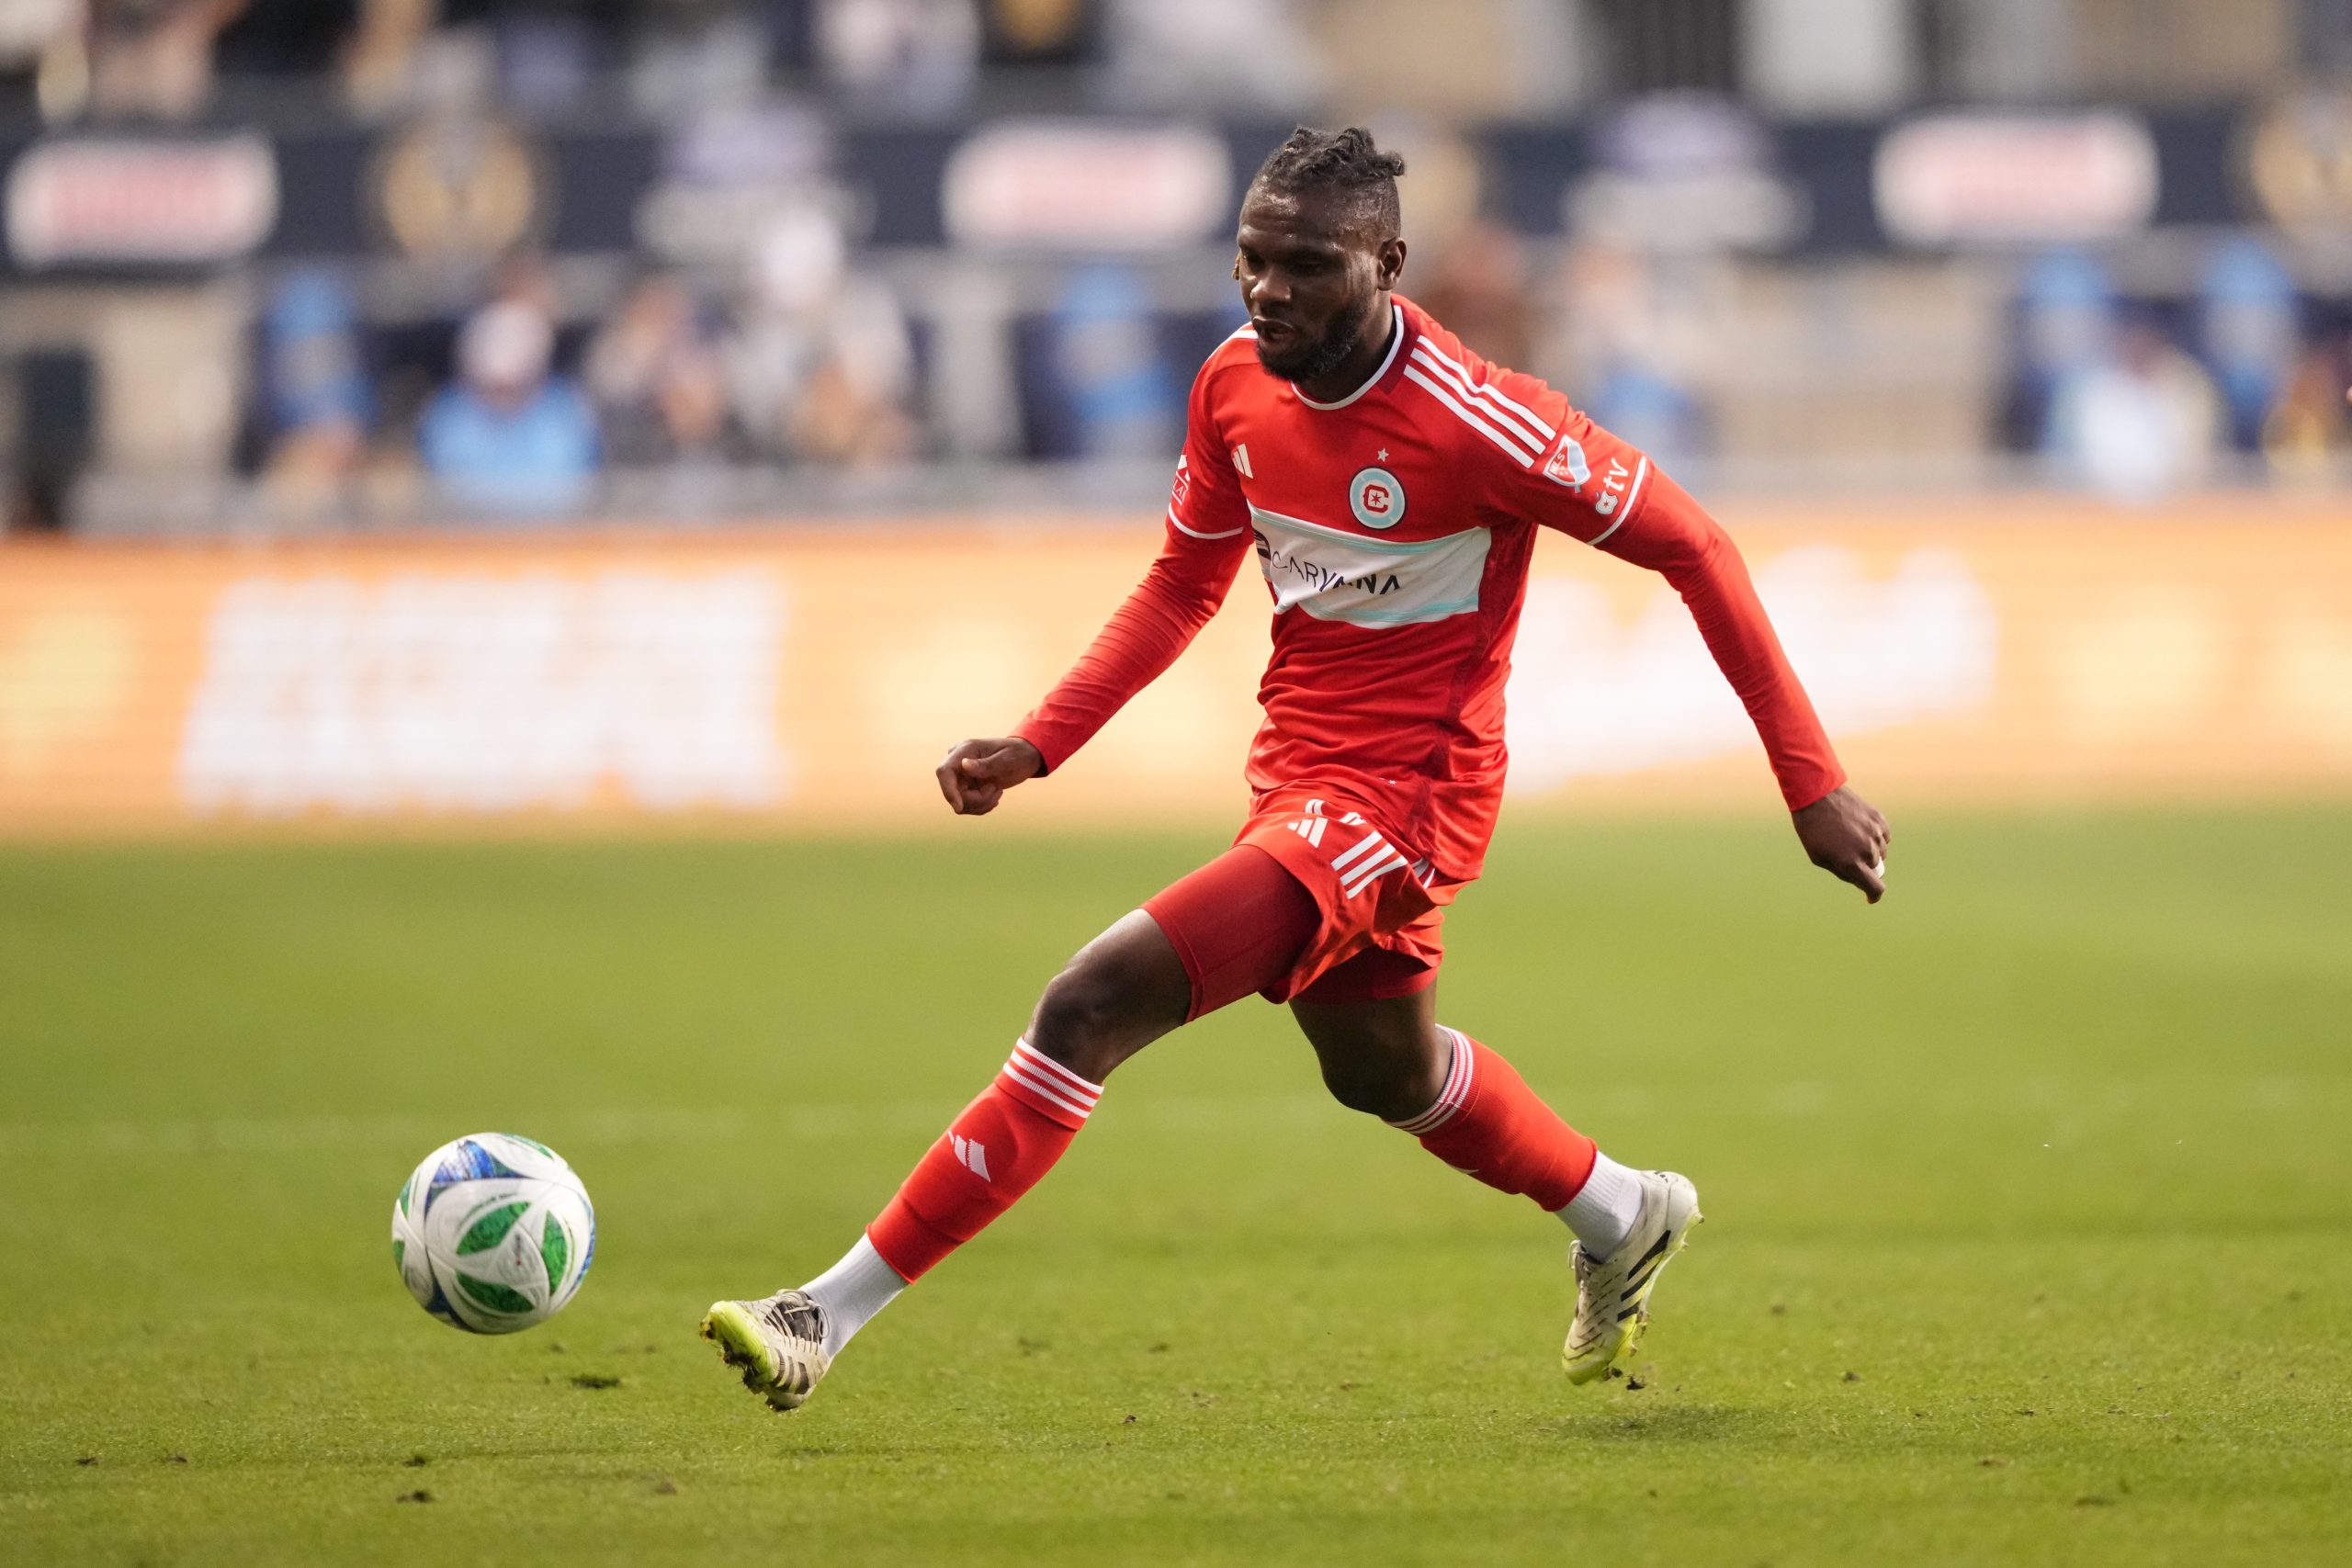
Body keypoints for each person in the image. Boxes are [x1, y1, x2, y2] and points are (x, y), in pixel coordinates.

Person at [702, 128, 1890, 1411]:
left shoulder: (1480, 418)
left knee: (1088, 1006)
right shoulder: (1233, 385)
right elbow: (1179, 586)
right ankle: (1622, 1212)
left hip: (1409, 797)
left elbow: (1696, 546)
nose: (1270, 291)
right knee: (1380, 1071)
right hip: (1301, 777)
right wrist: (1041, 739)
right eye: (1252, 263)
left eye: (1308, 267)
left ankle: (822, 1313)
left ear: (1386, 261)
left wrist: (1808, 781)